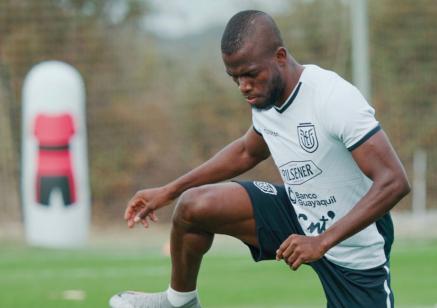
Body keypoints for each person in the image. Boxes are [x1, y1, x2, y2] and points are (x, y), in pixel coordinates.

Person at [109, 9, 410, 308]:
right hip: (296, 212)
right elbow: (246, 151)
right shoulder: (266, 99)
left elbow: (394, 182)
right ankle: (179, 302)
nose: (243, 86)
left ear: (280, 56)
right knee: (193, 206)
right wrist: (168, 191)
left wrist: (322, 241)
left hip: (352, 245)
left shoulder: (333, 98)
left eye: (250, 74)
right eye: (235, 77)